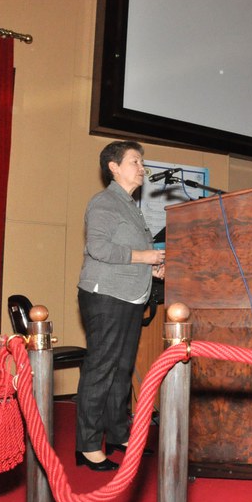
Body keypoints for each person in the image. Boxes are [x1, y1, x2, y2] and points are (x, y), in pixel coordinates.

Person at [75, 141, 165, 471]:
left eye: (142, 162)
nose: (142, 168)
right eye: (135, 162)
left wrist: (152, 269)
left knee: (122, 369)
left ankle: (117, 435)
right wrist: (145, 257)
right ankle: (87, 445)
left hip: (129, 295)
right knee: (101, 368)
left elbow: (127, 254)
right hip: (105, 295)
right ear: (113, 167)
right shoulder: (104, 202)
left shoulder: (130, 206)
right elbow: (98, 249)